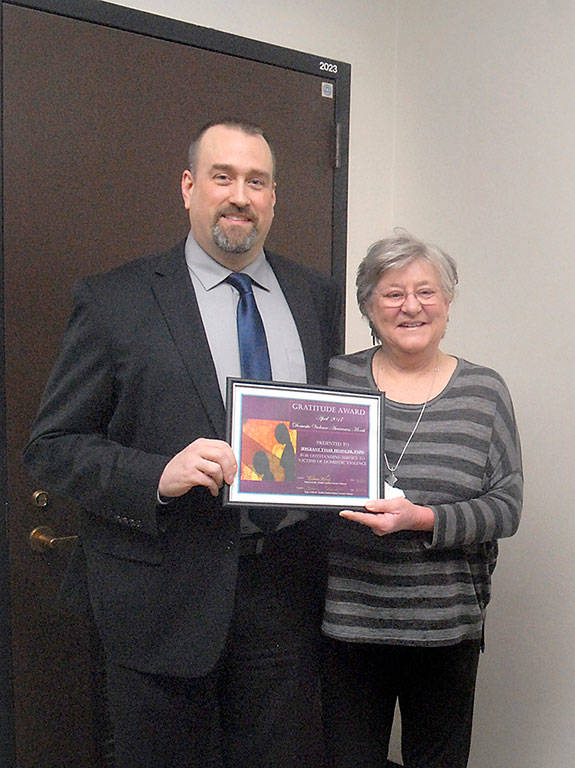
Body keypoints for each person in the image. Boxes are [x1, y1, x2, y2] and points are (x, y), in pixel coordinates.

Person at [23, 119, 342, 767]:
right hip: (163, 600)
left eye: (257, 181)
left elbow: (326, 426)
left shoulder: (314, 297)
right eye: (222, 177)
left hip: (285, 593)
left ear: (274, 198)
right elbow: (52, 445)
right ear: (189, 186)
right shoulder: (117, 301)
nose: (240, 196)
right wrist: (155, 475)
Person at [322, 230, 522, 768]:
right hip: (350, 624)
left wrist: (423, 519)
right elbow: (304, 482)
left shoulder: (485, 391)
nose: (411, 306)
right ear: (368, 305)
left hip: (446, 629)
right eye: (392, 293)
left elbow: (507, 507)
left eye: (426, 291)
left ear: (448, 301)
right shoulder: (334, 381)